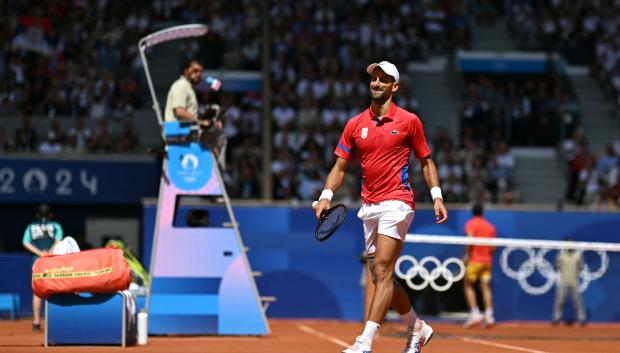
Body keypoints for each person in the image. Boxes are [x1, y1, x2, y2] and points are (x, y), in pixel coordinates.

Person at [313, 61, 448, 353]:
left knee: (384, 271)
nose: (376, 83)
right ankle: (417, 327)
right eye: (374, 78)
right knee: (379, 275)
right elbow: (340, 166)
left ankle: (365, 342)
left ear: (394, 86)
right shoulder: (354, 124)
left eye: (383, 79)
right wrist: (325, 195)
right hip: (369, 206)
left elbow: (426, 162)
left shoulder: (409, 121)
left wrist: (436, 195)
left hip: (398, 202)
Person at [164, 58, 227, 167]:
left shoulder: (189, 88)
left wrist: (207, 117)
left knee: (216, 128)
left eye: (201, 72)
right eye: (195, 70)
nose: (198, 74)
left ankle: (210, 168)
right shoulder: (181, 86)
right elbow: (179, 111)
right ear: (185, 70)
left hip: (189, 129)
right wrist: (200, 122)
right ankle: (217, 169)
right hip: (180, 131)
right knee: (220, 136)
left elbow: (189, 114)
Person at [22, 204, 64, 332]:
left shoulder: (31, 227)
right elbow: (59, 241)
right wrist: (49, 253)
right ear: (51, 214)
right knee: (56, 290)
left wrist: (40, 254)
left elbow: (25, 242)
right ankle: (55, 323)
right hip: (53, 262)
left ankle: (36, 323)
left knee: (37, 292)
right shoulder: (56, 226)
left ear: (37, 215)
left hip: (37, 262)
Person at [462, 203, 497, 328]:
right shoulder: (490, 227)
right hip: (487, 262)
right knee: (486, 287)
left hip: (474, 261)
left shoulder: (471, 224)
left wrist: (466, 255)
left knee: (468, 285)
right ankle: (489, 316)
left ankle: (475, 314)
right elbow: (493, 248)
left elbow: (469, 240)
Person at [552, 237, 586, 326]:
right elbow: (556, 266)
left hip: (574, 281)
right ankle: (556, 319)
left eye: (572, 243)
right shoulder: (561, 255)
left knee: (577, 301)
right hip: (563, 281)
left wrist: (575, 274)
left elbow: (581, 267)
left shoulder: (578, 255)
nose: (571, 245)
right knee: (560, 301)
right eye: (569, 243)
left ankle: (582, 319)